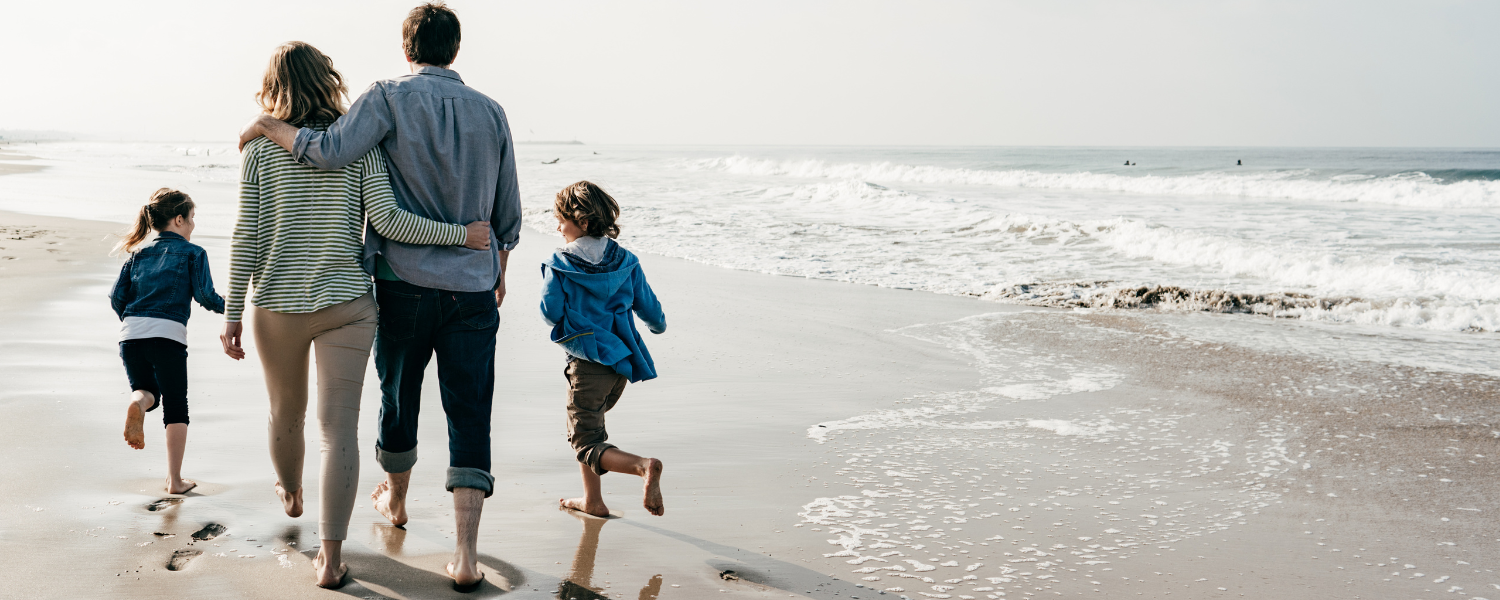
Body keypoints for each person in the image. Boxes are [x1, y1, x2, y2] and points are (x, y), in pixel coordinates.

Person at [236, 3, 521, 588]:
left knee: (393, 401)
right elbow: (506, 216)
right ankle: (462, 557)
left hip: (397, 286)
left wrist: (266, 125)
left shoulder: (383, 101)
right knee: (465, 414)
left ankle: (382, 499)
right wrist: (495, 268)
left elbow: (317, 163)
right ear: (456, 48)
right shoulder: (492, 112)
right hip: (457, 289)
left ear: (406, 46)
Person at [540, 181, 667, 518]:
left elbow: (549, 311)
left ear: (580, 222)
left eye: (561, 220)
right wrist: (658, 327)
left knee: (585, 440)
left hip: (587, 361)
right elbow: (651, 310)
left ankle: (642, 466)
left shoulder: (560, 263)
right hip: (622, 361)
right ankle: (592, 500)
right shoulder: (626, 260)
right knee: (590, 428)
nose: (558, 227)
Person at [110, 188, 224, 496]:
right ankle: (175, 480)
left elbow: (117, 297)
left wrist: (135, 320)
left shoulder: (138, 254)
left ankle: (137, 403)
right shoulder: (193, 252)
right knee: (176, 406)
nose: (193, 225)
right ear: (178, 219)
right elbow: (205, 296)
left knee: (147, 392)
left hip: (131, 335)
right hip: (168, 336)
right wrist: (232, 307)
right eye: (191, 219)